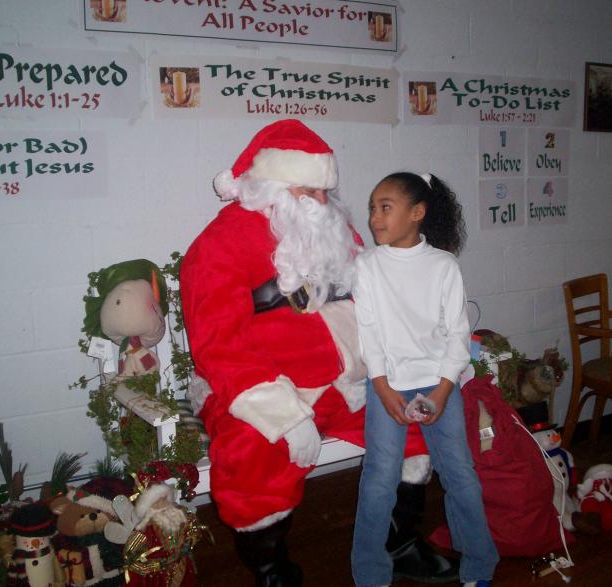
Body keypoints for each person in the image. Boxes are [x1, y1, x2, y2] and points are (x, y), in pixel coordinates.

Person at [180, 120, 457, 585]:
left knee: (413, 421)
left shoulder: (336, 230)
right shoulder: (219, 244)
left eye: (324, 191)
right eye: (305, 190)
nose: (319, 203)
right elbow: (217, 343)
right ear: (269, 186)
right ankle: (273, 570)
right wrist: (282, 412)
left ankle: (400, 543)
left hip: (344, 384)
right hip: (259, 387)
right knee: (252, 452)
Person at [351, 172, 499, 587]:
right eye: (372, 208)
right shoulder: (367, 266)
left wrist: (442, 390)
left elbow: (457, 333)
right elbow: (369, 333)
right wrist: (381, 388)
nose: (374, 217)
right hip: (388, 384)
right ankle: (371, 575)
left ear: (417, 213)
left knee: (460, 475)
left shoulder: (443, 266)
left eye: (385, 207)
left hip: (439, 382)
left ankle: (479, 567)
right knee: (379, 479)